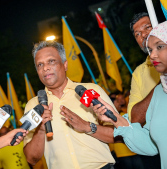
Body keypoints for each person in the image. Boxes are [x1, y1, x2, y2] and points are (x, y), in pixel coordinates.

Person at [23, 41, 116, 169]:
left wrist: (88, 127)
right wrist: (41, 130)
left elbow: (119, 134)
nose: (45, 68)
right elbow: (31, 159)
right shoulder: (33, 105)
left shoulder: (90, 91)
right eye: (40, 65)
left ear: (65, 65)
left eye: (51, 61)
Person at [91, 21, 167, 169]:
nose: (153, 55)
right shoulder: (158, 93)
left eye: (159, 47)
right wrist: (116, 118)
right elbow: (151, 145)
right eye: (150, 50)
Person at [128, 12, 160, 124]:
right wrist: (161, 86)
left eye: (147, 28)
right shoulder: (138, 73)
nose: (144, 35)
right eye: (138, 34)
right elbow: (134, 119)